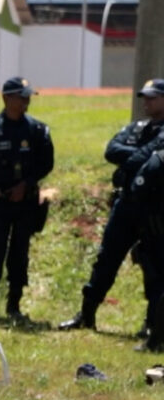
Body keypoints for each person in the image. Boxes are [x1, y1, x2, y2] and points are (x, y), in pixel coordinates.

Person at [58, 78, 164, 337]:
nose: (146, 102)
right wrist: (141, 155)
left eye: (152, 97)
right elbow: (111, 150)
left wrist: (137, 156)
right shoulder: (138, 127)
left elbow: (144, 156)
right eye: (145, 97)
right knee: (106, 258)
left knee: (154, 265)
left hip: (154, 207)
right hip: (126, 203)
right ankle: (87, 313)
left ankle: (153, 325)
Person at [0, 76, 55, 325]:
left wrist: (26, 184)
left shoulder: (37, 130)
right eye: (21, 96)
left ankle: (14, 305)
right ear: (6, 98)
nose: (26, 101)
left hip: (24, 202)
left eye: (27, 97)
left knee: (20, 251)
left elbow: (46, 163)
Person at [123, 143, 164, 351]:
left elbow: (137, 195)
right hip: (155, 235)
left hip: (156, 236)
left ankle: (155, 338)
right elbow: (138, 195)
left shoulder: (158, 161)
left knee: (158, 288)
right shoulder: (158, 162)